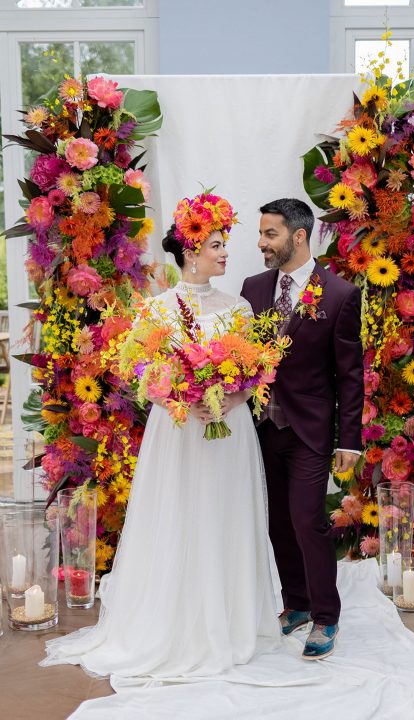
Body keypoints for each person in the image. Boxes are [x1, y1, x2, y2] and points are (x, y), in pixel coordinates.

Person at [41, 192, 282, 683]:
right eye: (217, 244)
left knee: (224, 514)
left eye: (224, 244)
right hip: (178, 432)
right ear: (192, 250)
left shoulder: (239, 307)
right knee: (179, 513)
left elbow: (257, 374)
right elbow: (142, 375)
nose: (225, 253)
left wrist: (231, 398)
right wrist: (178, 393)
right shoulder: (156, 311)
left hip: (227, 431)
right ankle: (176, 624)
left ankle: (229, 619)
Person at [241, 198, 364, 660]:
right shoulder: (252, 288)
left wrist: (348, 439)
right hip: (261, 428)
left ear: (297, 236)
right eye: (260, 233)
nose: (260, 243)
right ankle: (296, 603)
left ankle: (326, 617)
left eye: (269, 234)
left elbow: (349, 375)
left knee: (307, 521)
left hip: (311, 430)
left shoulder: (340, 295)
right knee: (277, 523)